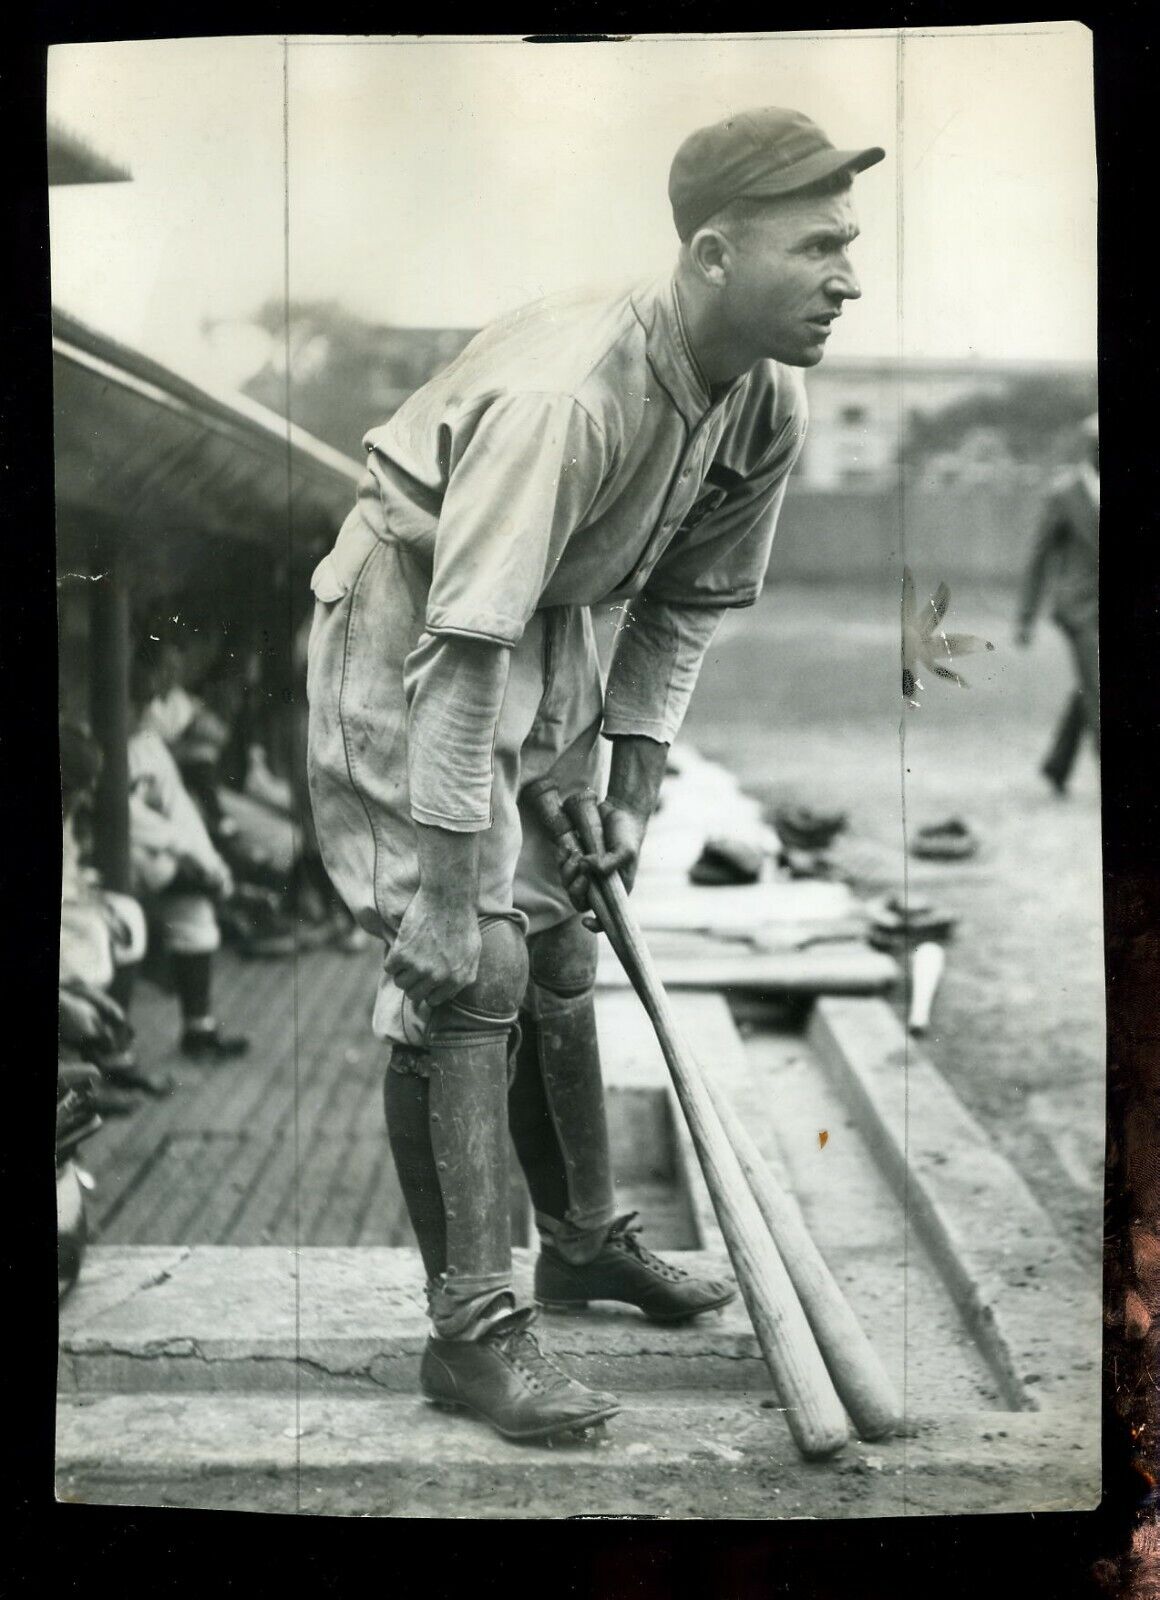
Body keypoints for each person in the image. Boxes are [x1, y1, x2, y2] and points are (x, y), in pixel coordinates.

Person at [307, 106, 883, 1442]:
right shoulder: (575, 395)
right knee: (469, 967)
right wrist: (448, 895)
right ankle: (472, 1334)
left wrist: (628, 782)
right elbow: (461, 653)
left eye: (851, 246)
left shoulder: (765, 394)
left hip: (555, 619)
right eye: (818, 250)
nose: (850, 279)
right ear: (715, 254)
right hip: (414, 619)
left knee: (563, 935)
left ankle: (579, 1241)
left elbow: (684, 606)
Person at [127, 646, 250, 1060]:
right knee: (173, 883)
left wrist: (208, 863)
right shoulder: (104, 734)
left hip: (152, 846)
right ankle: (113, 1052)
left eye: (142, 702)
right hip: (108, 848)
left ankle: (198, 1030)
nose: (139, 709)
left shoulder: (145, 740)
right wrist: (192, 862)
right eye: (134, 701)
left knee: (196, 910)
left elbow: (179, 810)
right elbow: (122, 814)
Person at [1016, 413, 1100, 794]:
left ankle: (1057, 766)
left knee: (1091, 684)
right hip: (1079, 609)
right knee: (1099, 685)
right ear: (1089, 447)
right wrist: (1026, 617)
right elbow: (1039, 558)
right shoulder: (1064, 494)